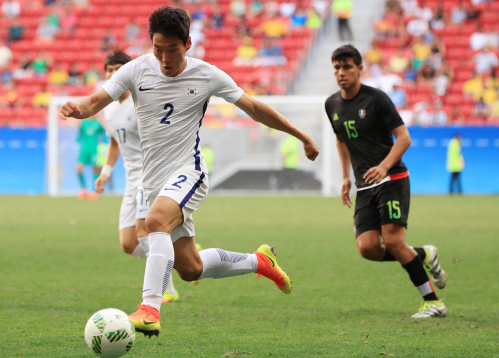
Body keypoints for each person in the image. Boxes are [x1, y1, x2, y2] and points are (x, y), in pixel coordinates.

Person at [60, 6, 319, 338]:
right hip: (153, 182)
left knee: (154, 223)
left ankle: (149, 309)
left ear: (188, 43)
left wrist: (302, 136)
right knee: (190, 268)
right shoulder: (135, 70)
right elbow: (94, 102)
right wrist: (76, 108)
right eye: (158, 49)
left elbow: (253, 107)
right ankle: (259, 261)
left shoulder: (207, 74)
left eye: (173, 49)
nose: (165, 58)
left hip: (189, 171)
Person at [325, 45, 447, 319]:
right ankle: (423, 255)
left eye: (347, 67)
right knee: (367, 248)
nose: (341, 72)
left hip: (392, 178)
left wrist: (383, 166)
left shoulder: (377, 100)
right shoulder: (331, 104)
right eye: (336, 67)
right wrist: (345, 177)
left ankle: (433, 302)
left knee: (393, 241)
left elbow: (404, 137)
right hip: (364, 186)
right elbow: (341, 139)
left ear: (360, 69)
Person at [94, 51, 182, 303]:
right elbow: (114, 141)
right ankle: (177, 255)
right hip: (130, 179)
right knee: (128, 243)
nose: (112, 74)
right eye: (108, 70)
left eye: (117, 69)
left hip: (149, 175)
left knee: (144, 233)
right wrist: (106, 171)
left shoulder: (141, 102)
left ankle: (167, 289)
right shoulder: (109, 109)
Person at [76, 116, 106, 200]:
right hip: (84, 149)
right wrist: (76, 145)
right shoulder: (83, 123)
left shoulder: (98, 123)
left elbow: (103, 135)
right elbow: (79, 135)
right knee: (79, 169)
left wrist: (104, 146)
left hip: (94, 149)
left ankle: (93, 191)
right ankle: (84, 189)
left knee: (95, 169)